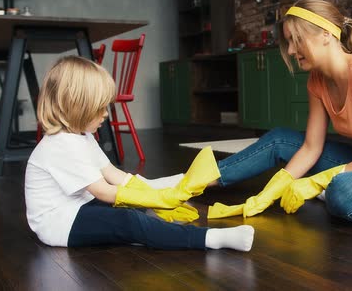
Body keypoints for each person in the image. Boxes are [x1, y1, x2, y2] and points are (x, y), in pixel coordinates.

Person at [208, 0, 352, 221]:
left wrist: (315, 181)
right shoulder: (317, 81)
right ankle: (198, 180)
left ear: (326, 34)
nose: (290, 50)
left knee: (342, 192)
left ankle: (330, 188)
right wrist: (267, 193)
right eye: (288, 42)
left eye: (297, 40)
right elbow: (311, 147)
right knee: (280, 139)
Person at [25, 55, 254, 251]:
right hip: (59, 225)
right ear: (77, 106)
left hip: (78, 207)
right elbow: (104, 192)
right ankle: (209, 239)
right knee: (129, 220)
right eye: (100, 108)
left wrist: (153, 192)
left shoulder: (82, 138)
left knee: (132, 207)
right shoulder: (59, 146)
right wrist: (157, 198)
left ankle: (153, 229)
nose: (106, 114)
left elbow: (114, 175)